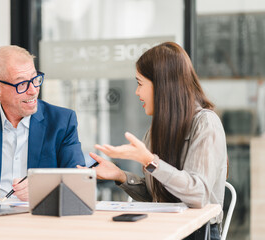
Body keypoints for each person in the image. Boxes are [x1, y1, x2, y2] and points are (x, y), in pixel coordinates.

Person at [79, 42, 227, 240]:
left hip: (199, 233)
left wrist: (150, 161)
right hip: (165, 229)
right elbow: (157, 197)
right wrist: (120, 175)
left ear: (163, 85)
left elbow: (197, 195)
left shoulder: (206, 123)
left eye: (140, 83)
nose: (136, 92)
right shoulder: (156, 130)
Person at [0, 45, 85, 200]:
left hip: (40, 218)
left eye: (35, 79)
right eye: (22, 84)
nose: (33, 90)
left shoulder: (62, 121)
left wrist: (42, 188)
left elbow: (79, 183)